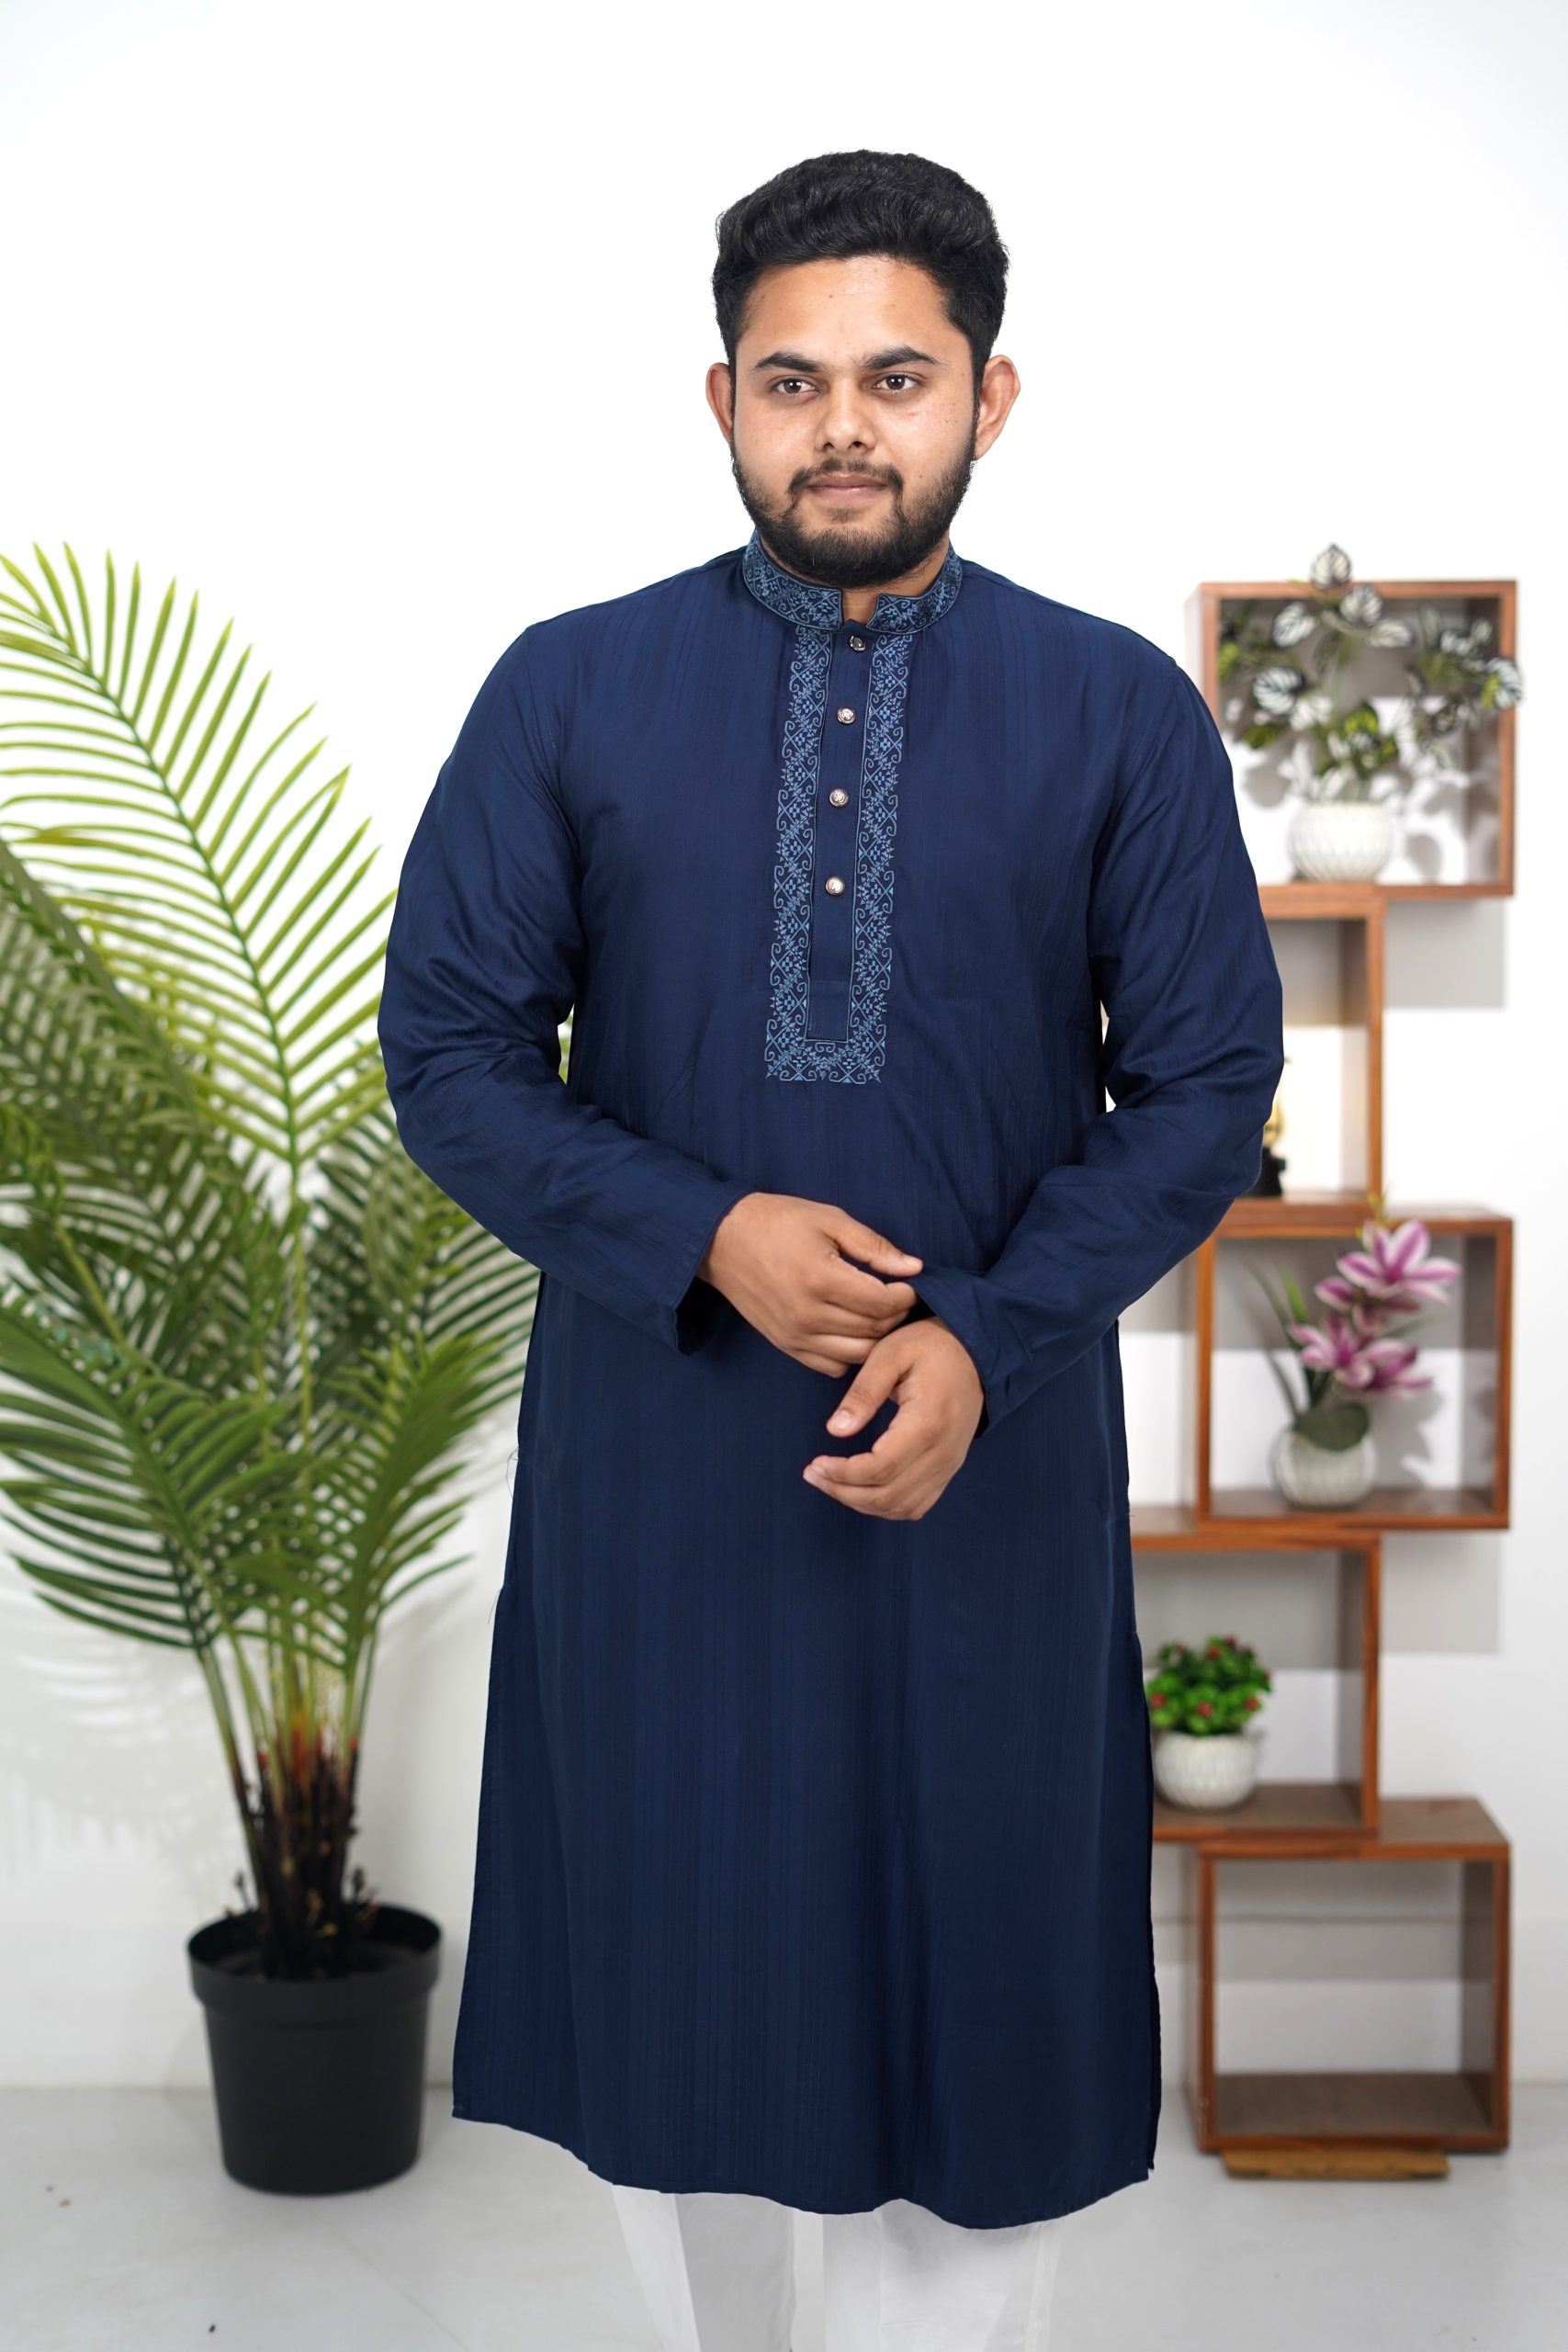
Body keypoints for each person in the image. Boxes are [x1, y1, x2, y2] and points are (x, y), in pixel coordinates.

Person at [378, 147, 1285, 2352]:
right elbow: (450, 1051)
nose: (842, 427)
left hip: (985, 1470)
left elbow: (1200, 1086)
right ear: (721, 401)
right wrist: (701, 1228)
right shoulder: (567, 689)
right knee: (683, 1996)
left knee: (980, 1989)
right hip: (667, 1474)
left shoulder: (1113, 712)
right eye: (791, 381)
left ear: (990, 394)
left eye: (896, 375)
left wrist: (981, 1332)